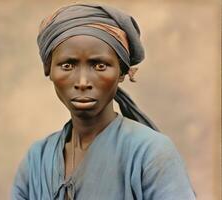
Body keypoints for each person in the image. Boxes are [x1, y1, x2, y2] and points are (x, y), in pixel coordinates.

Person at [12, 3, 196, 200]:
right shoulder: (37, 159)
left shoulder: (150, 153)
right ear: (49, 70)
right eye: (67, 65)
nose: (82, 82)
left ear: (122, 73)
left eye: (100, 65)